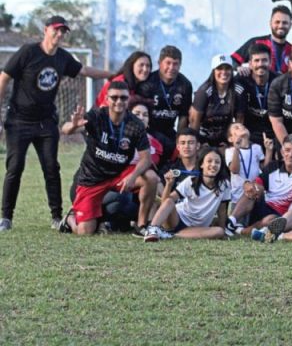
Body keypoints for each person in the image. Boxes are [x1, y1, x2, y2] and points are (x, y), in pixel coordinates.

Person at [1, 15, 114, 231]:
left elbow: (84, 71)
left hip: (45, 122)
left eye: (63, 31)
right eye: (56, 30)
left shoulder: (62, 57)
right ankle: (6, 218)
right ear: (46, 30)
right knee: (15, 167)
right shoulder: (28, 52)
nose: (59, 34)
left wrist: (111, 74)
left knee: (51, 167)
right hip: (19, 120)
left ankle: (56, 216)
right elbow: (4, 77)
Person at [58, 82, 156, 235]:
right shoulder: (97, 116)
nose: (119, 101)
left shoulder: (135, 125)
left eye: (123, 98)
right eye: (114, 97)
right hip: (92, 178)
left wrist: (133, 176)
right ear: (107, 98)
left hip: (119, 174)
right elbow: (65, 129)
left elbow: (146, 159)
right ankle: (70, 218)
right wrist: (73, 126)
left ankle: (142, 225)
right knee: (85, 232)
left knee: (151, 178)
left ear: (128, 99)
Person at [228, 134, 292, 235]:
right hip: (265, 207)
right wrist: (249, 184)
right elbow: (257, 183)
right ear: (282, 152)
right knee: (253, 189)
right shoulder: (273, 166)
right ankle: (231, 222)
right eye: (287, 150)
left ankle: (241, 231)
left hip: (287, 216)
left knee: (271, 219)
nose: (290, 154)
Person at [143, 146, 232, 241]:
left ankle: (169, 235)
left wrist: (223, 231)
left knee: (219, 231)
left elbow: (222, 210)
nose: (213, 165)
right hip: (176, 220)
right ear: (202, 164)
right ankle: (152, 229)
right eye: (209, 161)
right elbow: (166, 202)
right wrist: (168, 185)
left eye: (217, 162)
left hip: (195, 228)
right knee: (170, 200)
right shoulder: (190, 181)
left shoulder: (225, 185)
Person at [136, 45, 193, 164]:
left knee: (182, 150)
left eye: (175, 64)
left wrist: (180, 140)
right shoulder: (148, 82)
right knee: (165, 147)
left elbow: (183, 116)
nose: (171, 67)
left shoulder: (185, 85)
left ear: (180, 65)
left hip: (169, 130)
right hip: (149, 130)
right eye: (168, 63)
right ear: (159, 63)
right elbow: (138, 113)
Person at [189, 54, 245, 147]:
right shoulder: (204, 91)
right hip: (203, 138)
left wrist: (231, 144)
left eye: (227, 68)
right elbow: (194, 121)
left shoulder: (239, 91)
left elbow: (240, 120)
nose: (224, 72)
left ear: (231, 70)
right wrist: (198, 144)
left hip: (225, 138)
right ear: (213, 71)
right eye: (219, 68)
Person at [236, 44, 279, 146]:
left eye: (264, 60)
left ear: (270, 62)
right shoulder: (241, 79)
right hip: (249, 133)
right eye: (256, 61)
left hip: (274, 133)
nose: (260, 64)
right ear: (250, 64)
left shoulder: (279, 81)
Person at [232, 5, 292, 75]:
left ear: (290, 25)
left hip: (281, 85)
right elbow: (232, 60)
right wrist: (238, 68)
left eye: (285, 23)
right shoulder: (256, 42)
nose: (281, 26)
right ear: (270, 23)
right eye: (277, 22)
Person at [224, 122, 270, 207]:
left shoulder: (257, 147)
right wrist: (236, 149)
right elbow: (234, 170)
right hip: (238, 197)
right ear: (230, 139)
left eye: (243, 126)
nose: (242, 127)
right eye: (237, 128)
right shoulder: (230, 151)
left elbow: (264, 169)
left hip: (255, 193)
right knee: (239, 219)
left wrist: (268, 150)